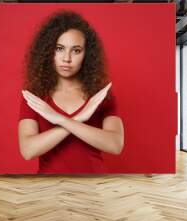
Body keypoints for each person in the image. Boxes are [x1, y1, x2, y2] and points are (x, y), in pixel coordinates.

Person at [18, 10, 124, 174]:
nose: (66, 58)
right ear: (48, 51)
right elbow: (28, 150)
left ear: (86, 54)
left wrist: (60, 120)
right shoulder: (35, 96)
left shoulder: (100, 95)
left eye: (76, 50)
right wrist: (79, 118)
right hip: (49, 188)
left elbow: (115, 145)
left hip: (94, 185)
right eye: (59, 48)